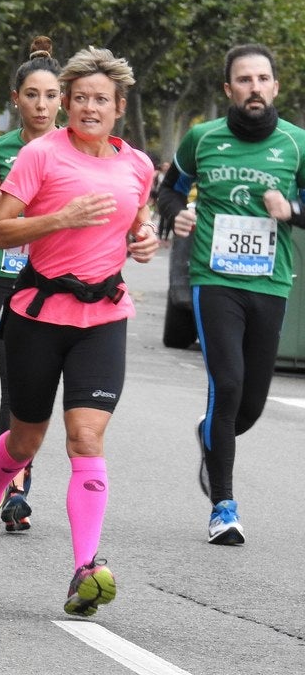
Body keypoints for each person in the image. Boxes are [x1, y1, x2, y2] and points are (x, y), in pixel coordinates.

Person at [0, 47, 158, 620]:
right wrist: (59, 219)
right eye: (81, 98)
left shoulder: (136, 165)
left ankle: (85, 569)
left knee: (86, 438)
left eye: (102, 99)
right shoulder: (41, 156)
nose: (90, 107)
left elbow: (134, 225)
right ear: (66, 103)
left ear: (119, 107)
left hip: (103, 316)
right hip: (38, 315)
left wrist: (144, 242)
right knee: (25, 442)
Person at [157, 44, 305, 546]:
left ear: (276, 87)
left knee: (252, 404)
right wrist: (175, 213)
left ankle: (210, 436)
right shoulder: (202, 138)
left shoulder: (296, 143)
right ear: (228, 90)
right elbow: (169, 188)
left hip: (270, 282)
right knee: (228, 383)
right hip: (214, 279)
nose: (255, 88)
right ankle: (224, 506)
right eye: (244, 80)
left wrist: (291, 211)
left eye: (263, 78)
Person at [0, 36, 62, 531]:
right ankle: (16, 486)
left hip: (53, 282)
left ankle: (10, 481)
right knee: (14, 383)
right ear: (16, 99)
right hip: (6, 277)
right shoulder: (2, 147)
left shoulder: (73, 148)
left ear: (61, 98)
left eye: (50, 95)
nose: (41, 105)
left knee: (34, 386)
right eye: (31, 95)